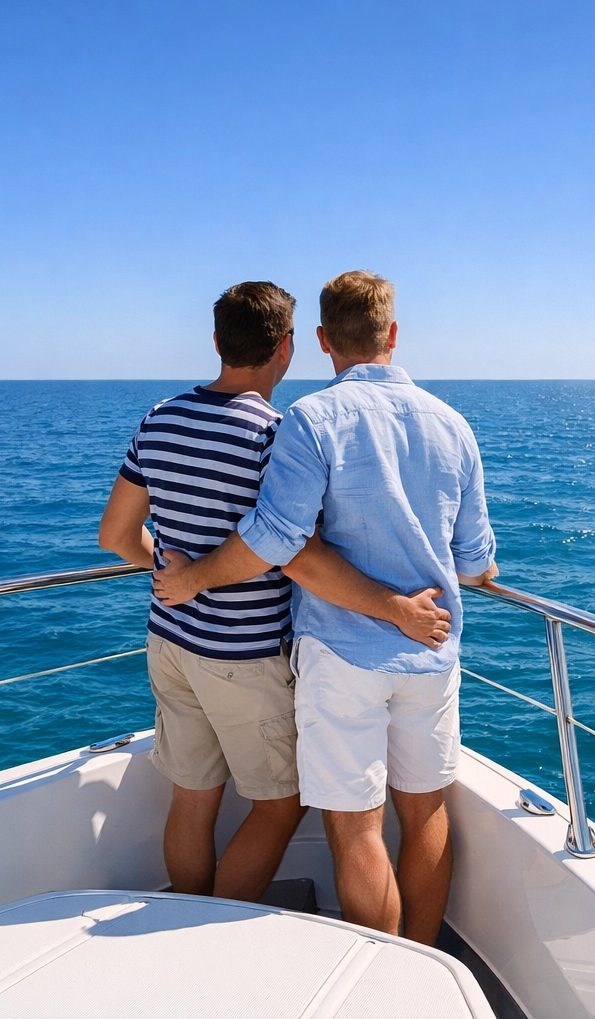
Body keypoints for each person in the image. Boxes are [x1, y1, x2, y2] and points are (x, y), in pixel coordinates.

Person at [151, 270, 497, 945]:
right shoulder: (454, 426)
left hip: (341, 657)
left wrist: (194, 578)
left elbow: (279, 543)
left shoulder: (311, 419)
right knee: (425, 816)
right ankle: (420, 972)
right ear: (392, 334)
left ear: (319, 340)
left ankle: (380, 979)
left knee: (356, 827)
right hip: (431, 651)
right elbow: (476, 564)